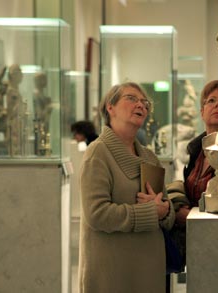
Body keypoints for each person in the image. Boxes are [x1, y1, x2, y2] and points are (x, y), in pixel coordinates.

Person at [78, 82, 175, 293]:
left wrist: (165, 211)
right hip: (113, 273)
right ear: (109, 108)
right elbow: (96, 214)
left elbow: (165, 208)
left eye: (144, 102)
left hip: (148, 270)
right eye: (131, 98)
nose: (140, 104)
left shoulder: (149, 157)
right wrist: (150, 212)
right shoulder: (98, 154)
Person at [167, 79, 218, 269]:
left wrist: (191, 215)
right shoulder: (196, 149)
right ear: (202, 111)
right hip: (196, 243)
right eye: (212, 101)